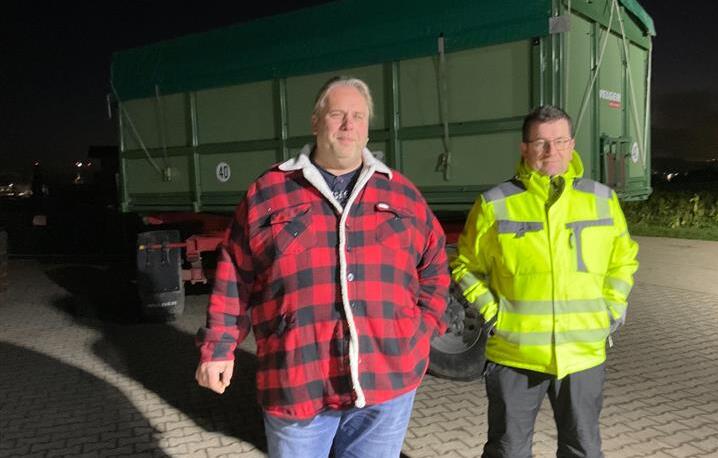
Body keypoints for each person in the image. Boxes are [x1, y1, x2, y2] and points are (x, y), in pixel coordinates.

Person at [195, 76, 449, 457]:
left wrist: (419, 332)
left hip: (386, 385)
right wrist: (219, 349)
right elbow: (235, 275)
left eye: (358, 117)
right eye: (337, 115)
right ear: (316, 122)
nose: (349, 125)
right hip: (298, 382)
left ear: (368, 128)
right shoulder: (269, 191)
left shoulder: (401, 194)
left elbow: (434, 267)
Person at [451, 105, 639, 458]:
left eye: (559, 141)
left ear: (571, 145)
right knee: (508, 451)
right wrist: (494, 314)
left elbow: (623, 260)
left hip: (582, 354)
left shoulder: (602, 199)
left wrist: (612, 309)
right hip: (515, 354)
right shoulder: (494, 205)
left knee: (582, 449)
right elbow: (465, 266)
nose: (551, 151)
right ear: (524, 148)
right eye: (540, 143)